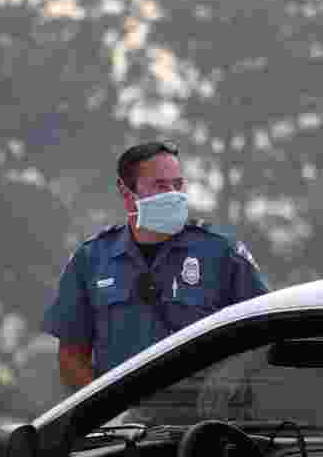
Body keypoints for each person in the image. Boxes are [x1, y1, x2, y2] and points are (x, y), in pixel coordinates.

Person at [42, 141, 269, 391]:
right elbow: (72, 356)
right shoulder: (91, 259)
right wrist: (103, 413)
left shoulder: (222, 252)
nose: (173, 194)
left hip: (206, 421)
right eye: (160, 185)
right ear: (127, 193)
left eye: (178, 184)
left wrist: (234, 373)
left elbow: (266, 331)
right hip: (125, 423)